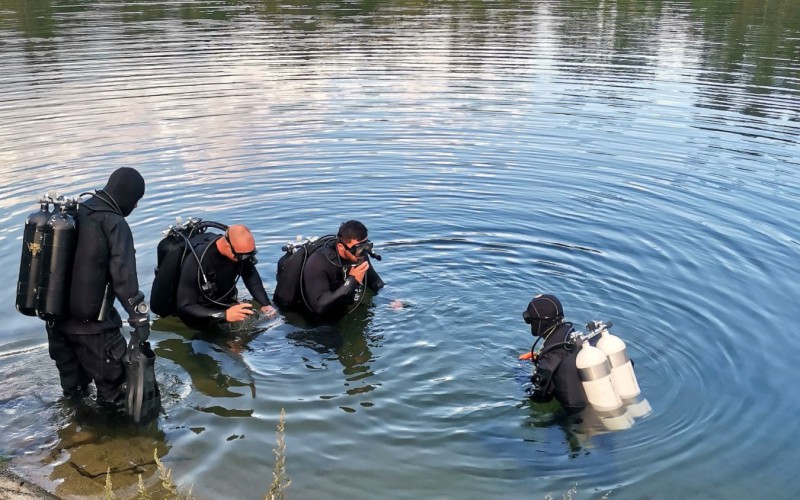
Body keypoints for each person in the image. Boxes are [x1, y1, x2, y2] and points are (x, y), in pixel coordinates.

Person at [45, 167, 150, 404]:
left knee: (75, 394)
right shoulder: (113, 223)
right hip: (93, 330)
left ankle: (76, 434)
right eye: (136, 200)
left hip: (56, 325)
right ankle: (114, 437)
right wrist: (139, 321)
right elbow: (124, 279)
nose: (135, 207)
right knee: (117, 394)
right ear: (128, 195)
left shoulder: (73, 213)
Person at [274, 220, 384, 322]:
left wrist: (391, 300)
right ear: (341, 247)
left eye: (366, 246)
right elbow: (319, 306)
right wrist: (352, 281)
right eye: (357, 248)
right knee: (333, 338)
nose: (362, 252)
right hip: (303, 313)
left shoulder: (359, 255)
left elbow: (376, 282)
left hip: (335, 299)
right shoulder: (318, 263)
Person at [174, 224, 277, 330]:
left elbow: (251, 277)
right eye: (242, 256)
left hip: (222, 302)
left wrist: (265, 303)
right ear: (228, 246)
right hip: (198, 310)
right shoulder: (196, 261)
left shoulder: (240, 254)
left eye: (250, 254)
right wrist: (225, 315)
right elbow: (185, 306)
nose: (245, 259)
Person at [522, 294, 587, 414]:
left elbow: (540, 398)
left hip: (577, 420)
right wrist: (539, 355)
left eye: (530, 320)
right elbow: (562, 355)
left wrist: (519, 371)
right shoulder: (570, 334)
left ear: (540, 322)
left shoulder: (549, 359)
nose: (530, 324)